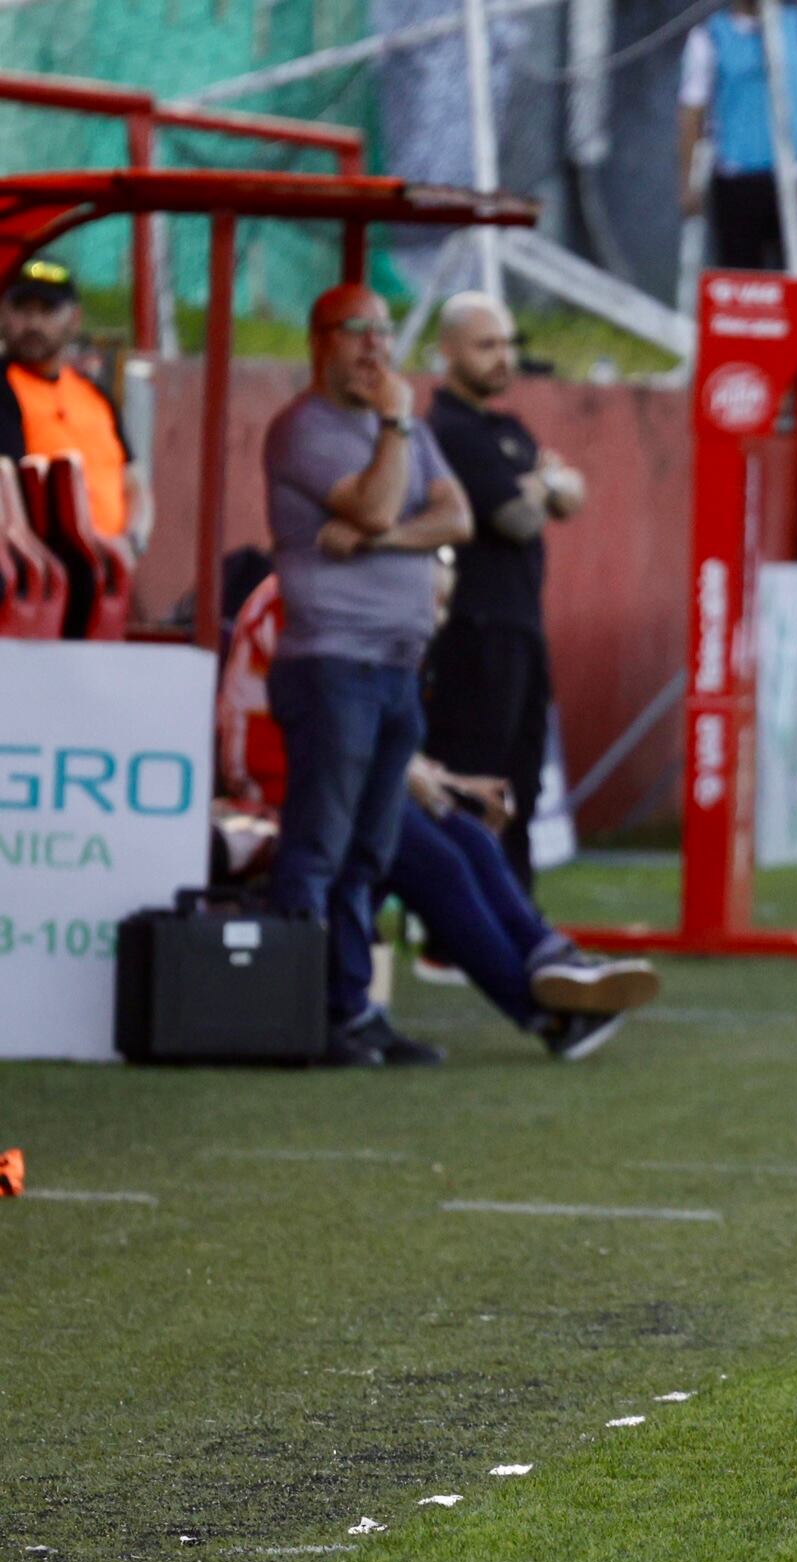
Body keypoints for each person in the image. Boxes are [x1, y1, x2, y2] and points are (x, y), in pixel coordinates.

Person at [220, 573, 659, 1061]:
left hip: (330, 768)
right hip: (278, 777)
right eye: (437, 599)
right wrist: (411, 774)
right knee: (434, 861)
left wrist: (444, 781)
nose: (438, 614)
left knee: (469, 837)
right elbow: (333, 713)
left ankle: (549, 958)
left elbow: (362, 720)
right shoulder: (310, 597)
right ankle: (551, 1013)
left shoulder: (348, 594)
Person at [263, 284, 470, 1067]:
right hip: (331, 664)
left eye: (385, 333)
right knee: (319, 845)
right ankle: (297, 1015)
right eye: (357, 333)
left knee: (369, 854)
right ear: (319, 341)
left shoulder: (407, 425)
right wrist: (392, 424)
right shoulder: (303, 430)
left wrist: (382, 542)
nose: (376, 349)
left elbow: (457, 519)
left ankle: (352, 1010)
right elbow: (379, 504)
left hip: (394, 668)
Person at [421, 292, 586, 891]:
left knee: (523, 779)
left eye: (508, 344)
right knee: (475, 776)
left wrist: (539, 487)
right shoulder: (449, 432)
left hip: (522, 627)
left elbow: (570, 495)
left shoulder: (506, 428)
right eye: (486, 345)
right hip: (475, 631)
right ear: (447, 351)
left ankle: (517, 916)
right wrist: (542, 486)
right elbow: (518, 517)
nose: (502, 358)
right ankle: (455, 929)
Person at [678, 0, 797, 271]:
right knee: (744, 280)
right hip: (737, 180)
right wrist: (687, 181)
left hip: (795, 176)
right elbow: (691, 113)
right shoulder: (708, 36)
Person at [0, 260, 148, 550]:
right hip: (40, 573)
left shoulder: (95, 396)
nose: (33, 323)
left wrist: (133, 539)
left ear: (75, 318)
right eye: (23, 310)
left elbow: (134, 481)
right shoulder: (5, 387)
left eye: (47, 311)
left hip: (112, 568)